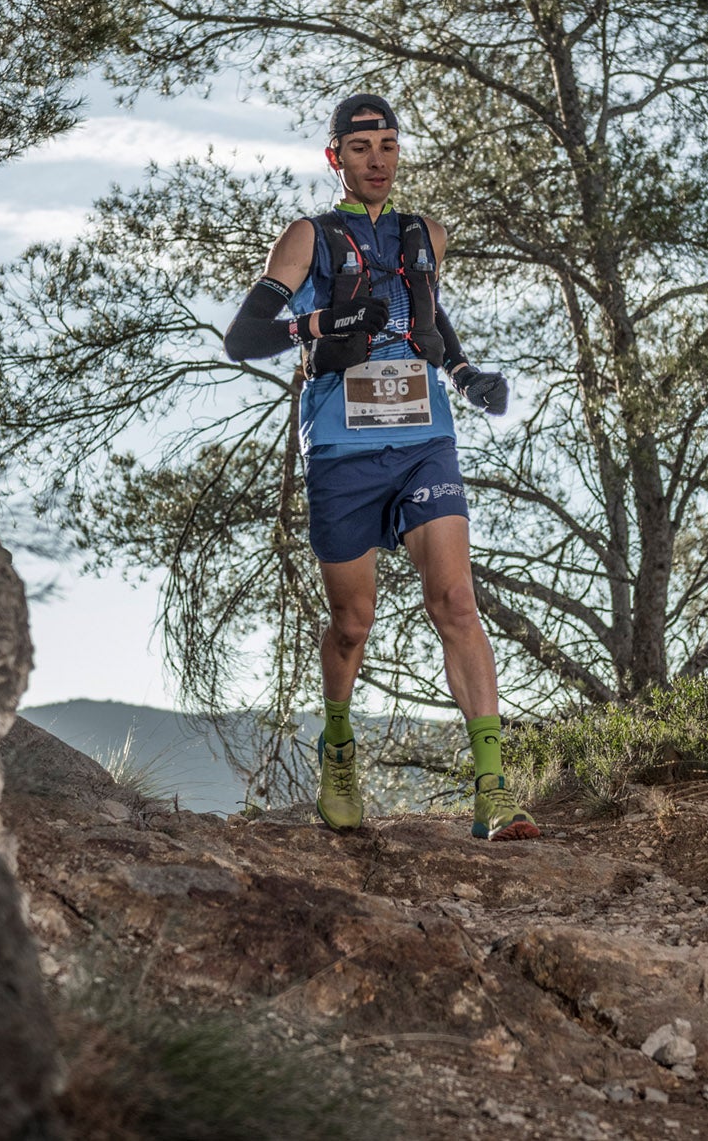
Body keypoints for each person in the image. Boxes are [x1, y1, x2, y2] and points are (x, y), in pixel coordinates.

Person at [223, 94, 540, 841]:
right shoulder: (309, 237)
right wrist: (321, 323)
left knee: (457, 600)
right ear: (336, 157)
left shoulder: (425, 234)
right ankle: (339, 752)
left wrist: (466, 376)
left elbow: (430, 320)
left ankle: (492, 792)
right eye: (362, 148)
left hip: (425, 439)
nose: (378, 160)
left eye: (390, 146)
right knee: (352, 622)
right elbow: (244, 337)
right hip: (340, 447)